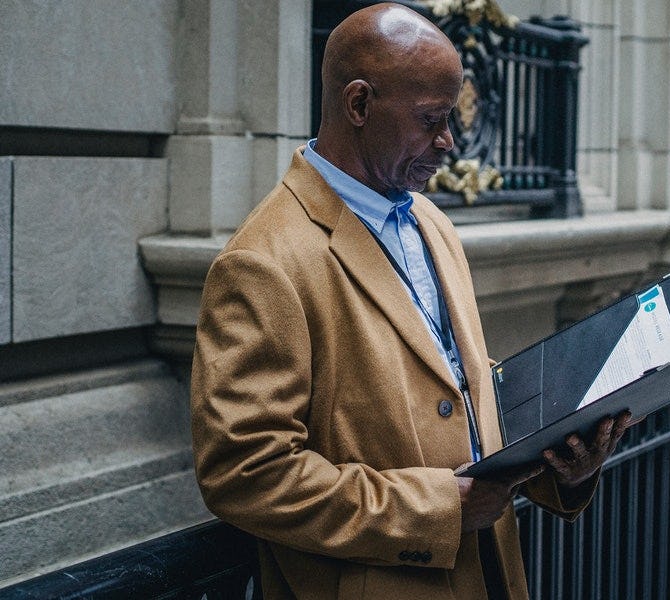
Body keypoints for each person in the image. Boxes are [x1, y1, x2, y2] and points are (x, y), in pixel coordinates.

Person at [190, 3, 631, 599]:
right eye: (431, 120)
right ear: (359, 105)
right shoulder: (263, 262)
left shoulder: (429, 219)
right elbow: (246, 473)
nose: (449, 141)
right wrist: (434, 508)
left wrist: (562, 461)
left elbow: (452, 381)